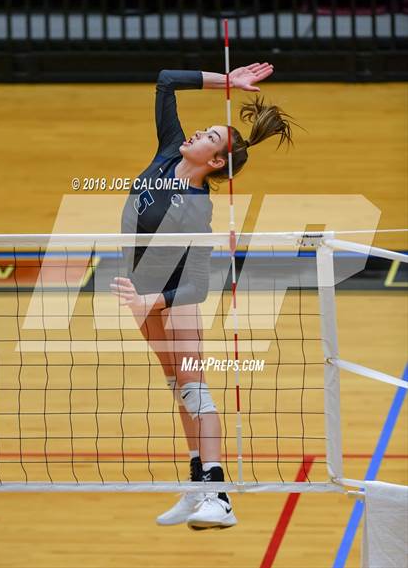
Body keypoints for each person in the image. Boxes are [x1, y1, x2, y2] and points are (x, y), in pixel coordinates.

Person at [111, 64, 293, 530]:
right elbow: (166, 80)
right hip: (140, 289)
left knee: (195, 388)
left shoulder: (197, 209)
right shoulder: (170, 151)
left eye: (210, 136)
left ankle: (218, 494)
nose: (197, 132)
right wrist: (227, 82)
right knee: (178, 389)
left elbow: (198, 285)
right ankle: (196, 485)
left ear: (215, 162)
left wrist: (152, 303)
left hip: (172, 299)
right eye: (205, 129)